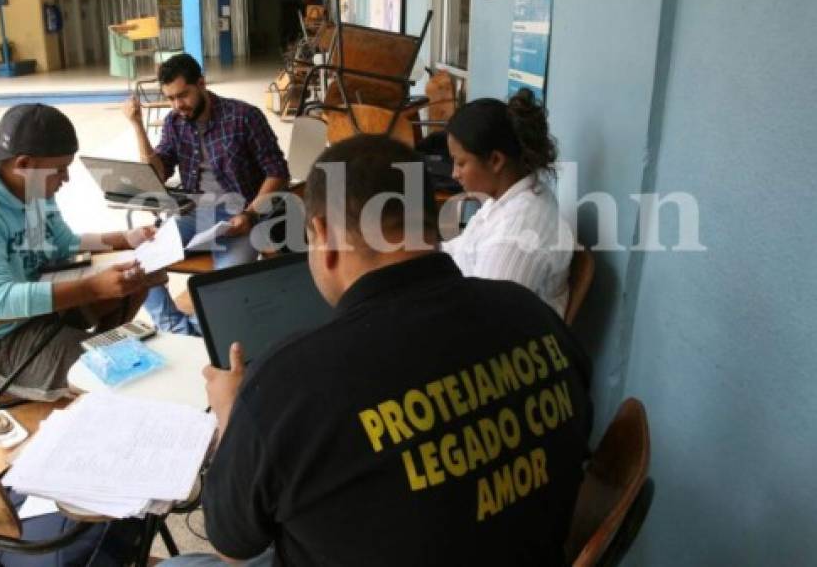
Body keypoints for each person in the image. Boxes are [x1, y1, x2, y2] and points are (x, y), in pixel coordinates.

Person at [163, 135, 593, 566]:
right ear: (434, 223)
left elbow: (233, 546)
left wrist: (231, 415)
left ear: (323, 236)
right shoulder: (532, 314)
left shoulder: (286, 384)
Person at [0, 103, 165, 401]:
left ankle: (95, 358)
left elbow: (63, 244)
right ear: (25, 164)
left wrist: (125, 238)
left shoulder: (31, 187)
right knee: (126, 377)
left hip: (33, 315)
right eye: (59, 170)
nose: (66, 179)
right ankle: (96, 375)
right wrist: (93, 288)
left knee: (133, 288)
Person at [123, 53, 289, 335]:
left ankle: (195, 330)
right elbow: (158, 174)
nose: (178, 105)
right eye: (171, 99)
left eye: (183, 95)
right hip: (193, 214)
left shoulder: (244, 117)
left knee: (223, 285)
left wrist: (250, 214)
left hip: (240, 215)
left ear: (201, 83)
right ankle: (178, 329)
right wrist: (138, 126)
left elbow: (278, 173)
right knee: (139, 264)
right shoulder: (174, 123)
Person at [441, 88, 575, 317]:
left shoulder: (518, 234)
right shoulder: (504, 199)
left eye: (461, 163)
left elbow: (487, 320)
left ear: (495, 161)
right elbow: (461, 248)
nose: (454, 173)